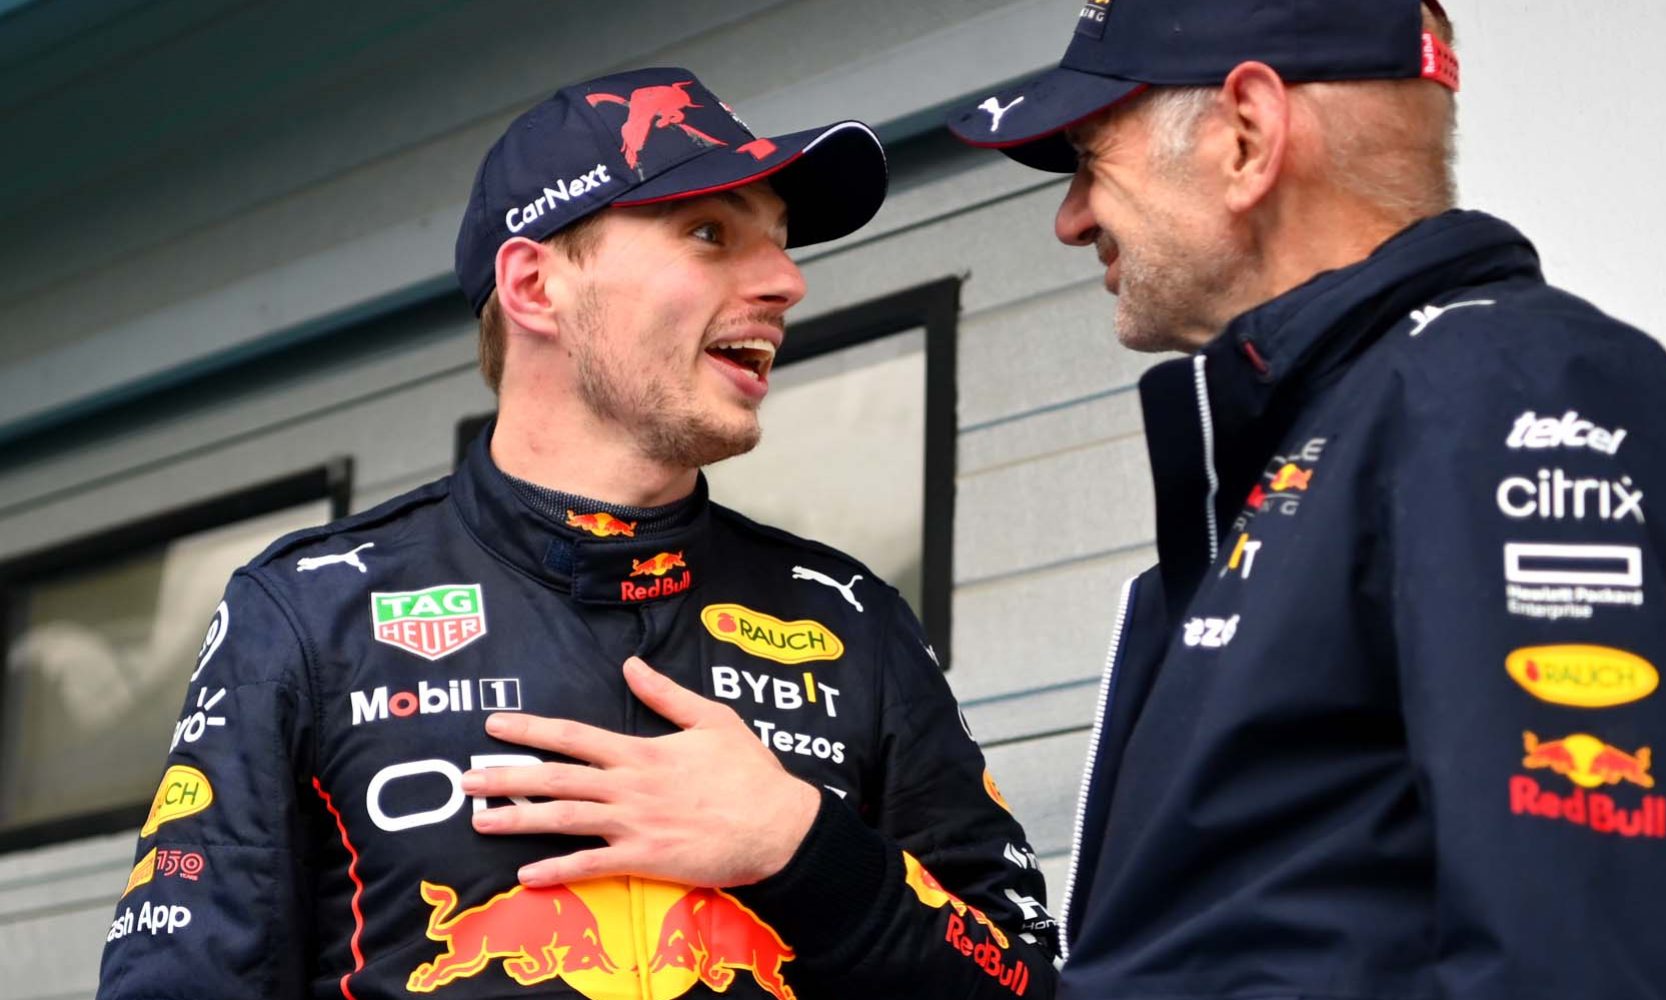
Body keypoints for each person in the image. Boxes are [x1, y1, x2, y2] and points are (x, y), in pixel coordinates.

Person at [98, 67, 1056, 1000]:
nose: (787, 282)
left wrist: (803, 848)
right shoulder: (309, 613)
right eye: (711, 233)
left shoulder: (852, 621)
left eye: (782, 242)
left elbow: (1027, 980)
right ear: (535, 286)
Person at [947, 1, 1666, 998]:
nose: (1070, 219)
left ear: (1248, 136)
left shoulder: (1509, 389)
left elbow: (1594, 956)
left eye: (1088, 155)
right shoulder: (1336, 434)